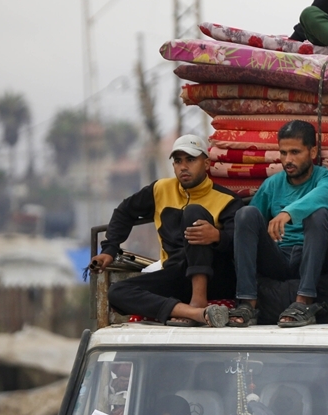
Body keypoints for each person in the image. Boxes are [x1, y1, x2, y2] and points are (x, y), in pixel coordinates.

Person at [96, 135, 243, 327]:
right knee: (117, 293)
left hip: (215, 278)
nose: (183, 167)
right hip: (177, 275)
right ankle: (195, 313)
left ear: (206, 163)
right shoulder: (161, 189)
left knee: (194, 212)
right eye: (178, 161)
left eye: (190, 160)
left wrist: (217, 236)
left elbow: (241, 244)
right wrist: (110, 249)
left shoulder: (227, 200)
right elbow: (125, 211)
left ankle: (199, 300)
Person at [228, 120, 328, 327]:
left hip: (315, 256)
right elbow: (251, 226)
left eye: (295, 152)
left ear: (312, 151)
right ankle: (248, 303)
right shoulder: (272, 184)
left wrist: (289, 212)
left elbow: (324, 195)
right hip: (279, 257)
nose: (288, 160)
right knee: (245, 214)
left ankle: (303, 301)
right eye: (283, 153)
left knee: (318, 214)